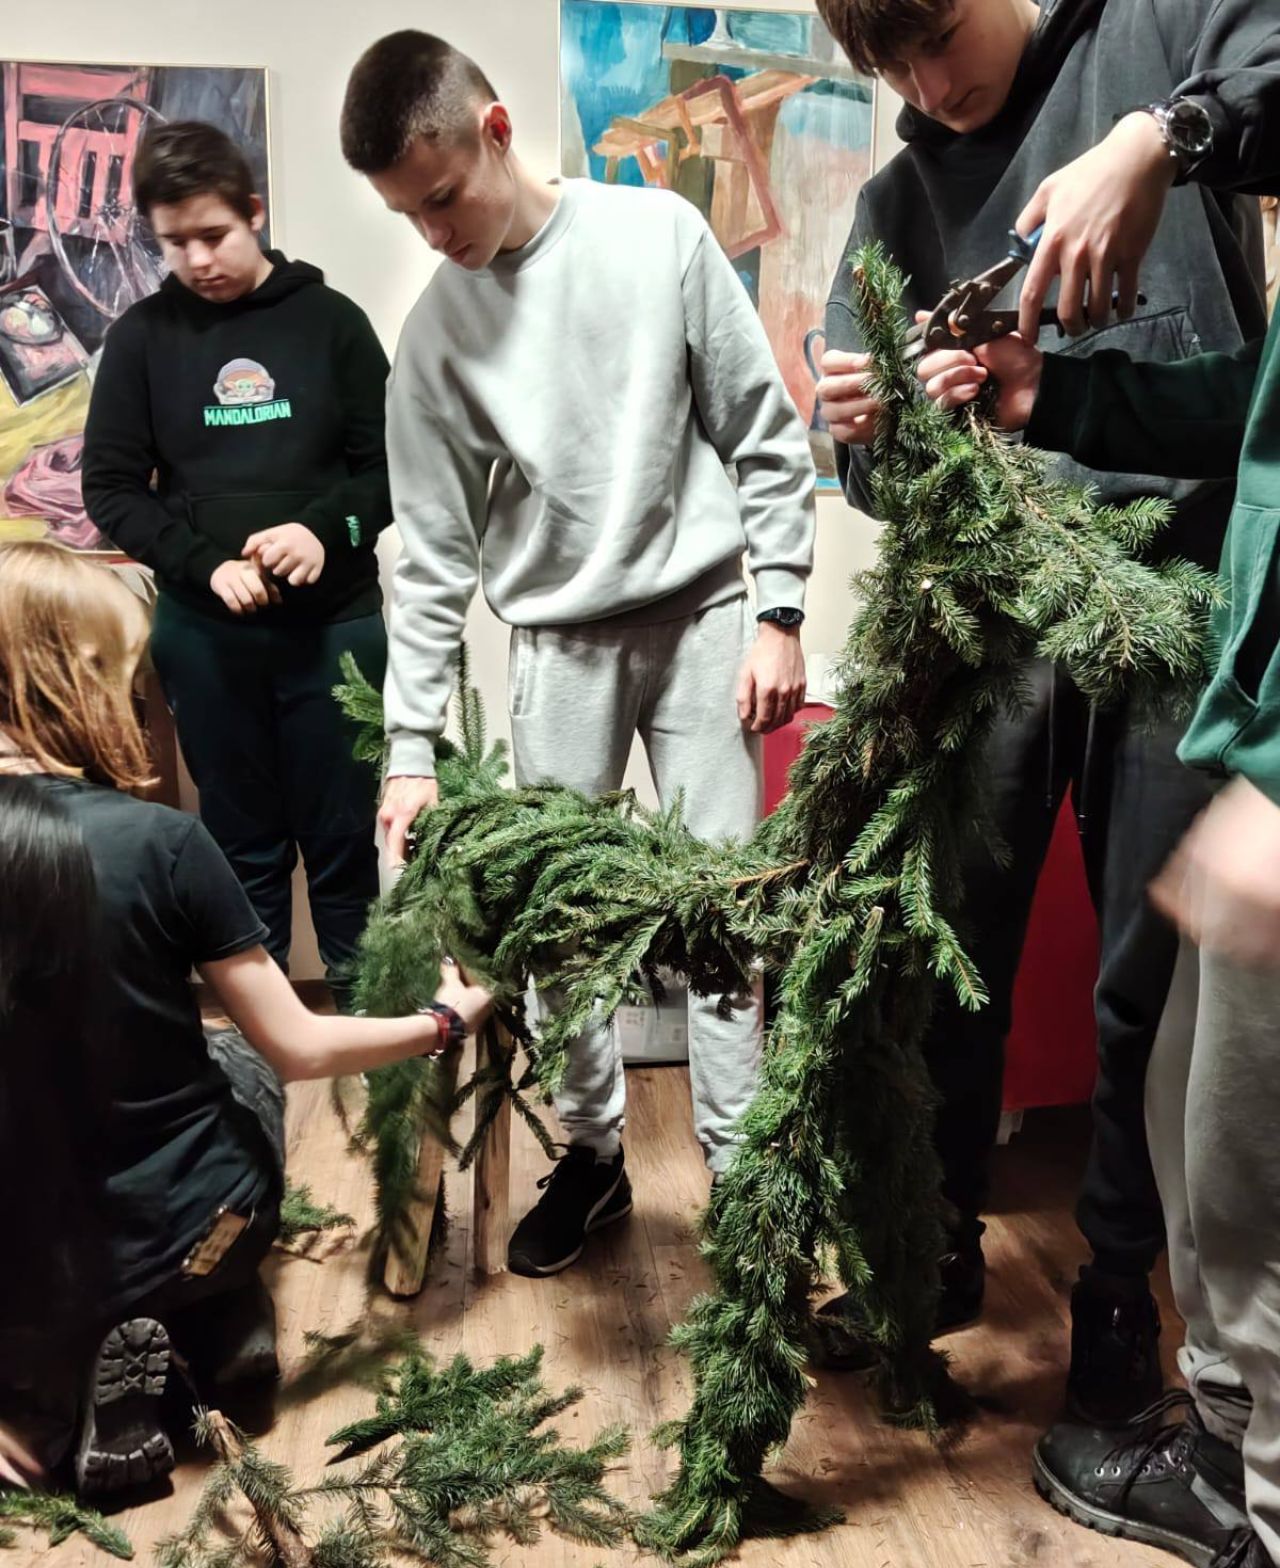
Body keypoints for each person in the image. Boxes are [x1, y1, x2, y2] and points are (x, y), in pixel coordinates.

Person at [813, 0, 1278, 1424]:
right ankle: (932, 1242)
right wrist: (875, 430)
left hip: (1176, 596)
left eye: (936, 37)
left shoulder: (1153, 35)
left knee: (1148, 985)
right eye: (887, 64)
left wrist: (1161, 135)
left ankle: (1121, 1296)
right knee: (948, 951)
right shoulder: (896, 203)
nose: (925, 82)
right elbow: (868, 472)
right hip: (994, 629)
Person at [338, 32, 816, 1278]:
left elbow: (760, 429)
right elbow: (430, 561)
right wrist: (409, 750)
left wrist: (777, 610)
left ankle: (741, 1176)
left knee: (721, 914)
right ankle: (595, 1156)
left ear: (496, 131)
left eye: (443, 197)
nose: (432, 233)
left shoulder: (656, 237)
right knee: (557, 928)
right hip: (557, 636)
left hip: (706, 619)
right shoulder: (435, 338)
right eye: (405, 215)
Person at [916, 250, 1280, 1568]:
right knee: (1207, 1150)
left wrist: (1154, 141)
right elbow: (1253, 401)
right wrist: (1053, 396)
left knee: (1258, 1184)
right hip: (1251, 746)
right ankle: (1227, 1468)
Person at [0, 543, 492, 1501]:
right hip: (192, 1232)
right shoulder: (163, 842)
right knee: (247, 1068)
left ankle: (63, 1376)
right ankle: (217, 1324)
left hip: (22, 1271)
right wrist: (442, 1020)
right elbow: (300, 1046)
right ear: (81, 673)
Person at [82, 121, 393, 1009]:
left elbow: (392, 470)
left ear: (254, 212)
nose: (197, 260)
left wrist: (325, 531)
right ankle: (261, 1058)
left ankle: (375, 1051)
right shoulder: (141, 339)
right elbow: (111, 488)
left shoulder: (332, 323)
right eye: (173, 242)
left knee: (343, 845)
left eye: (214, 234)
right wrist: (202, 564)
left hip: (334, 632)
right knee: (238, 849)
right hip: (205, 637)